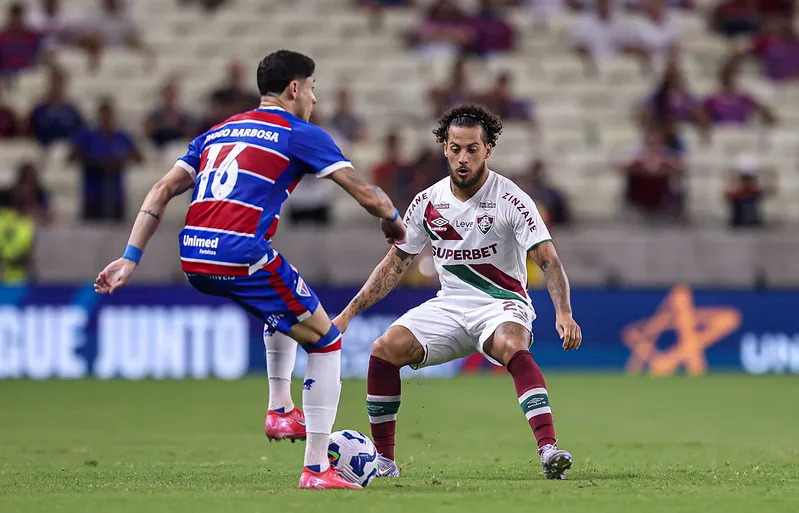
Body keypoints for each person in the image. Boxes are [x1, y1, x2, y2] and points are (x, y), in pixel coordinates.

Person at [92, 50, 406, 490]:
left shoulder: (217, 132)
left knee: (283, 307)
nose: (314, 99)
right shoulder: (299, 133)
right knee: (327, 341)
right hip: (240, 254)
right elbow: (369, 196)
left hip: (195, 256)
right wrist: (395, 223)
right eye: (312, 88)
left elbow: (163, 189)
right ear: (295, 89)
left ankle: (281, 410)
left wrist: (131, 256)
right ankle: (317, 470)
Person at [332, 103, 582, 480]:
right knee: (384, 349)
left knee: (513, 345)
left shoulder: (512, 199)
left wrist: (563, 312)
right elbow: (393, 265)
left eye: (472, 149)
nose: (462, 158)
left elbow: (548, 260)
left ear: (488, 150)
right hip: (449, 307)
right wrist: (348, 314)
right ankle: (385, 462)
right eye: (455, 148)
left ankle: (548, 450)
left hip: (502, 305)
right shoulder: (427, 203)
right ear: (444, 149)